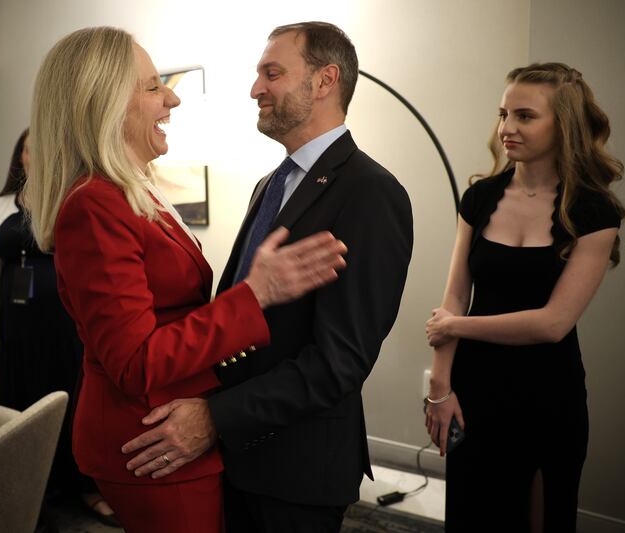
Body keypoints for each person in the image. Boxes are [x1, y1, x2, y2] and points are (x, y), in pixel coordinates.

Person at [24, 26, 347, 533]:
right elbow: (135, 361)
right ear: (105, 103)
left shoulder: (133, 192)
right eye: (154, 86)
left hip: (174, 425)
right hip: (151, 442)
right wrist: (256, 295)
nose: (171, 98)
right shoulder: (94, 204)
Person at [122, 22, 414, 532]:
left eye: (271, 73)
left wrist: (216, 417)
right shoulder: (270, 185)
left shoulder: (371, 192)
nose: (255, 88)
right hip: (236, 457)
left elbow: (340, 362)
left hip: (298, 469)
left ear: (325, 80)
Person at [423, 63, 625, 531]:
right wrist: (440, 388)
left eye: (525, 116)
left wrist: (455, 326)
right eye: (503, 114)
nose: (506, 128)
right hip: (474, 389)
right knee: (473, 517)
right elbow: (454, 294)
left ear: (564, 125)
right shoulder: (479, 198)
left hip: (547, 397)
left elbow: (552, 323)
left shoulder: (594, 212)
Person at [0, 129, 118, 525]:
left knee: (71, 401)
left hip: (63, 322)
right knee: (21, 404)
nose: (34, 156)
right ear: (19, 157)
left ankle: (86, 487)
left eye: (42, 149)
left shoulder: (71, 197)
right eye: (28, 149)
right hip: (15, 324)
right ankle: (30, 492)